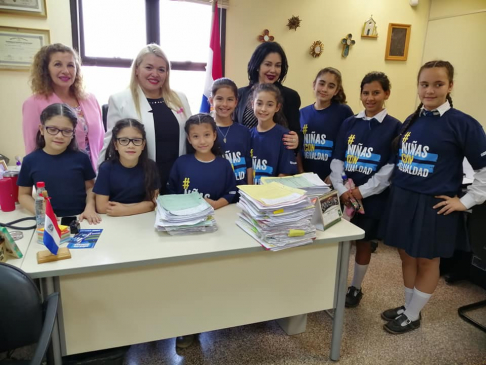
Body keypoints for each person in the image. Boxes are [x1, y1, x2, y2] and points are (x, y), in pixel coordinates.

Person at [381, 60, 486, 334]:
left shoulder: (463, 123)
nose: (429, 90)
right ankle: (407, 306)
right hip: (403, 199)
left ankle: (414, 315)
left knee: (428, 260)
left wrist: (465, 201)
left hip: (433, 205)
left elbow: (484, 169)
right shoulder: (412, 119)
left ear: (450, 86)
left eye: (438, 84)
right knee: (406, 256)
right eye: (424, 84)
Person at [330, 72, 401, 308]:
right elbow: (338, 158)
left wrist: (363, 191)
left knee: (362, 242)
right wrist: (341, 188)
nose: (370, 98)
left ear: (386, 94)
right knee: (337, 241)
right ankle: (332, 283)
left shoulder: (394, 127)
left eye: (376, 92)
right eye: (365, 93)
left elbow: (390, 167)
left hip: (371, 197)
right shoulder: (349, 123)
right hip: (344, 195)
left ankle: (355, 287)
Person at [98, 44, 191, 194]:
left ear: (167, 73)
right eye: (149, 67)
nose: (155, 74)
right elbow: (109, 143)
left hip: (177, 179)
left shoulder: (179, 98)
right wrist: (100, 182)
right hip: (139, 180)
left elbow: (190, 136)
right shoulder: (120, 99)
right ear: (136, 69)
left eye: (161, 69)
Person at [23, 43, 104, 171]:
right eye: (57, 64)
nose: (66, 71)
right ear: (46, 69)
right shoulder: (33, 103)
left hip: (95, 176)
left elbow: (101, 141)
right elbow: (32, 148)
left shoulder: (91, 99)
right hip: (58, 175)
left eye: (70, 65)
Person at [17, 103, 100, 223]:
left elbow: (90, 188)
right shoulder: (30, 161)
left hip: (81, 218)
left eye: (66, 131)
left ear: (73, 133)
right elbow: (23, 195)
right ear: (42, 129)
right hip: (49, 222)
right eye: (53, 129)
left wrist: (90, 208)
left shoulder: (81, 157)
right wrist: (41, 212)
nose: (59, 136)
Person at [235, 42, 301, 151]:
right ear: (257, 66)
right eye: (268, 64)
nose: (273, 70)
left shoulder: (291, 96)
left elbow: (296, 132)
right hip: (246, 159)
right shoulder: (240, 94)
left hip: (276, 161)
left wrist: (297, 140)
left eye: (278, 65)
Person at [168, 113, 237, 210]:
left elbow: (231, 192)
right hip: (185, 217)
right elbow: (171, 191)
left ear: (214, 135)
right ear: (189, 139)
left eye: (207, 135)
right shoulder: (181, 163)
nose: (202, 141)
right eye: (196, 136)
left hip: (216, 216)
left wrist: (216, 204)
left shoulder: (224, 164)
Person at [298, 67, 354, 183]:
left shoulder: (343, 112)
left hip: (332, 178)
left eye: (331, 86)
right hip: (306, 179)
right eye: (321, 84)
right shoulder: (302, 113)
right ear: (314, 85)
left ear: (337, 91)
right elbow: (297, 148)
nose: (324, 89)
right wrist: (301, 172)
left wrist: (335, 174)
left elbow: (349, 146)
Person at [94, 119, 159, 216]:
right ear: (115, 145)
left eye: (136, 140)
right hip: (113, 220)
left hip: (142, 219)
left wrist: (126, 210)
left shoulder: (151, 167)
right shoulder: (106, 168)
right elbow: (101, 207)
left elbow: (153, 203)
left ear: (143, 145)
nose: (131, 145)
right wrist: (140, 207)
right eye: (124, 140)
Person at [250, 83, 298, 184]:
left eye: (269, 105)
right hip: (250, 195)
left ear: (277, 107)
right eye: (259, 103)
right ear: (252, 104)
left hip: (274, 195)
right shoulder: (247, 135)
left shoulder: (285, 136)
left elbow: (285, 173)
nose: (263, 109)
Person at [209, 78, 252, 185]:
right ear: (211, 100)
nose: (225, 104)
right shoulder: (206, 131)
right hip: (216, 191)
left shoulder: (244, 131)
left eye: (230, 99)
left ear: (236, 102)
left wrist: (250, 191)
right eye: (219, 99)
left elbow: (249, 164)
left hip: (241, 192)